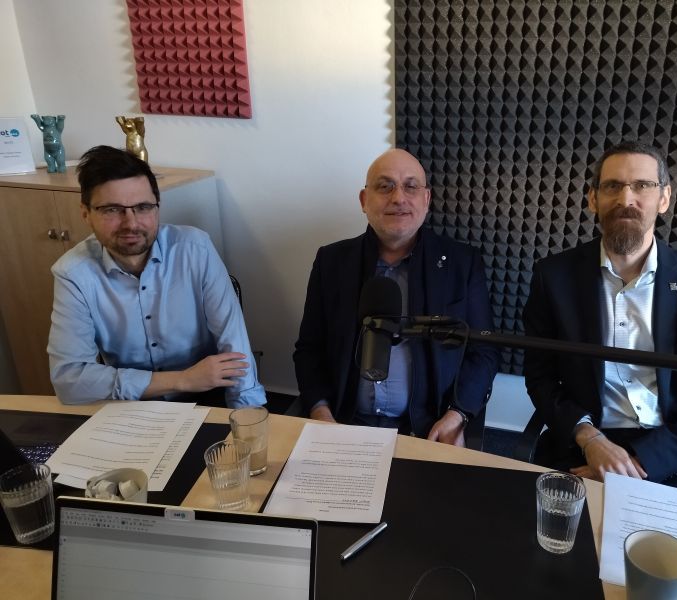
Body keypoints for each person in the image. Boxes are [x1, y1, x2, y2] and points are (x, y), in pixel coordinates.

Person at [523, 140, 677, 518]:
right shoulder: (553, 277)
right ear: (593, 199)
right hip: (585, 444)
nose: (626, 198)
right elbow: (541, 377)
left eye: (642, 185)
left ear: (664, 198)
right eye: (612, 186)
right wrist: (590, 438)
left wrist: (638, 463)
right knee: (552, 543)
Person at [294, 148, 499, 445]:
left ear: (426, 199)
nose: (398, 198)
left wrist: (457, 415)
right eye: (385, 186)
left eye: (410, 186)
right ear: (364, 200)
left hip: (428, 429)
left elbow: (484, 352)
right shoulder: (331, 262)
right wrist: (320, 412)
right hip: (344, 422)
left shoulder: (462, 264)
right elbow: (309, 349)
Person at [48, 145, 265, 408]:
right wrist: (181, 380)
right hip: (131, 403)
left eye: (143, 207)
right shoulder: (73, 274)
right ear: (86, 214)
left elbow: (235, 348)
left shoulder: (195, 249)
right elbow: (69, 380)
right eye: (112, 210)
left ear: (157, 207)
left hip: (208, 395)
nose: (131, 223)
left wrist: (246, 418)